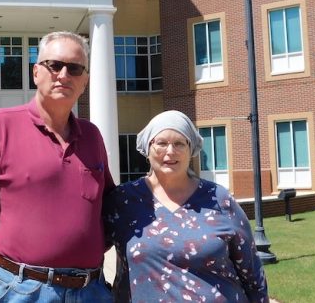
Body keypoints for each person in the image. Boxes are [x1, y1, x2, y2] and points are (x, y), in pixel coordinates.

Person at [0, 31, 115, 303]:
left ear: (85, 81)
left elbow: (110, 206)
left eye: (74, 68)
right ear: (36, 73)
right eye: (54, 65)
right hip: (21, 290)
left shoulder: (92, 136)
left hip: (91, 290)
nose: (63, 75)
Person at [104, 110, 269, 302]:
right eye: (162, 143)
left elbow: (252, 274)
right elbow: (86, 248)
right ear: (147, 149)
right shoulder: (123, 201)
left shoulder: (218, 199)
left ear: (191, 150)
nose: (170, 151)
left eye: (179, 144)